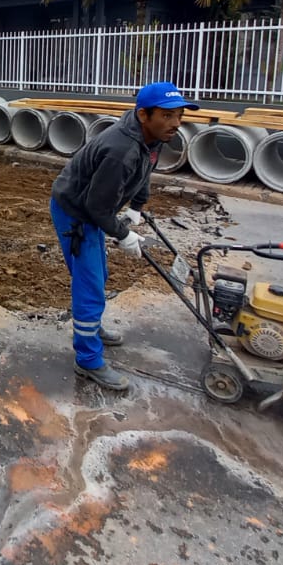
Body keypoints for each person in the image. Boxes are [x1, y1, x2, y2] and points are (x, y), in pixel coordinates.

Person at [50, 81, 200, 391]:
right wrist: (123, 234)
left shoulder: (153, 137)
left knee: (99, 273)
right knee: (89, 283)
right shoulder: (121, 149)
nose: (175, 124)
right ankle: (88, 361)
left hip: (94, 208)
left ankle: (92, 329)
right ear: (144, 115)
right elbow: (95, 206)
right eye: (167, 116)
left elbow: (145, 171)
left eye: (180, 115)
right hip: (76, 212)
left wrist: (137, 207)